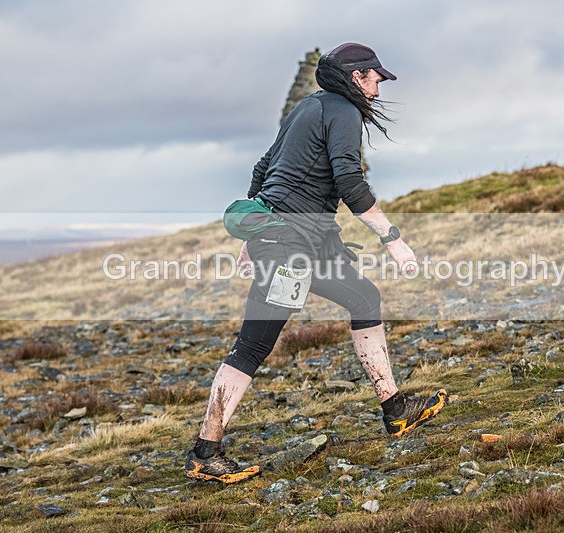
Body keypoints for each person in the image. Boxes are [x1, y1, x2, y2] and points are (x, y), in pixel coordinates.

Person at [184, 43, 449, 484]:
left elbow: (264, 166)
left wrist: (254, 235)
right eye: (376, 78)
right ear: (357, 76)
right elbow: (349, 180)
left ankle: (395, 409)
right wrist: (392, 239)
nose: (380, 87)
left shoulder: (308, 107)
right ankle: (204, 452)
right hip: (291, 245)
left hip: (301, 240)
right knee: (254, 344)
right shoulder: (342, 112)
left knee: (364, 296)